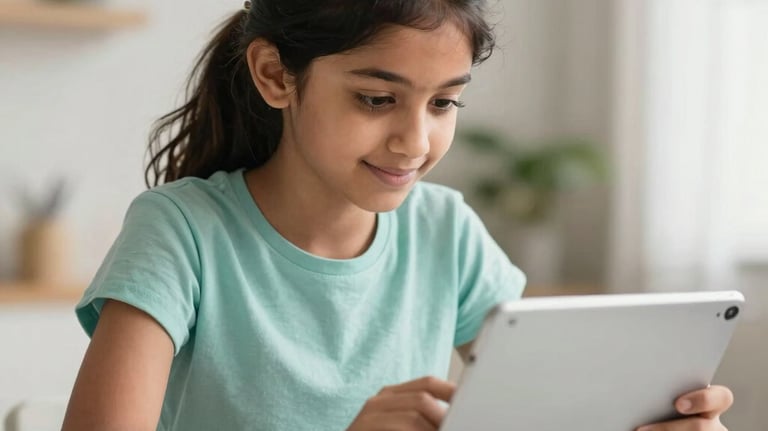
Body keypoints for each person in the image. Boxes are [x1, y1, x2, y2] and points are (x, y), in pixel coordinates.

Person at [62, 1, 734, 430]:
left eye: (443, 103)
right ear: (275, 75)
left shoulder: (446, 231)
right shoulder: (181, 232)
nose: (415, 142)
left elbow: (561, 409)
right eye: (377, 98)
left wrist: (655, 420)